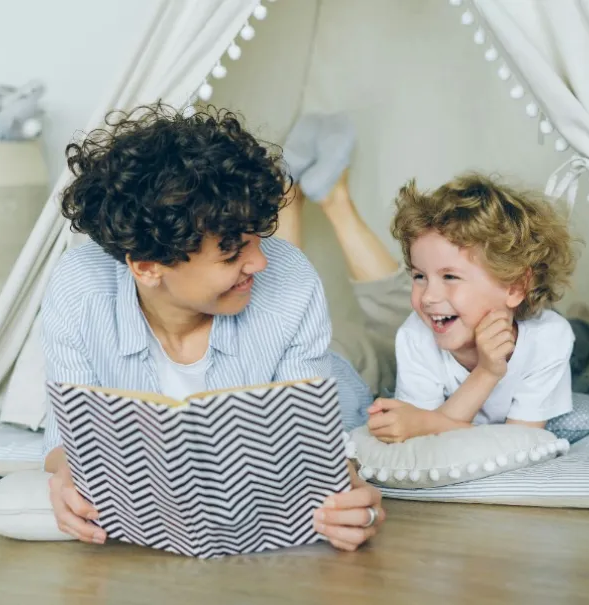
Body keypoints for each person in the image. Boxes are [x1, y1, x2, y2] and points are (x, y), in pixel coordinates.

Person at [39, 104, 385, 552]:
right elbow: (65, 437)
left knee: (370, 360)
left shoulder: (290, 278)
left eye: (258, 235)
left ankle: (319, 193)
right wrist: (68, 474)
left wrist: (351, 493)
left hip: (342, 378)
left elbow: (315, 445)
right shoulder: (78, 286)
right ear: (147, 267)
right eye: (231, 254)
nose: (259, 261)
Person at [366, 173, 579, 443]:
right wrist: (486, 373)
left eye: (450, 277)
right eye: (419, 276)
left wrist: (426, 423)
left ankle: (582, 321)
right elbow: (423, 442)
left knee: (580, 345)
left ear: (514, 287)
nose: (429, 297)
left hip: (547, 328)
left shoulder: (549, 338)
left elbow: (522, 443)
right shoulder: (415, 336)